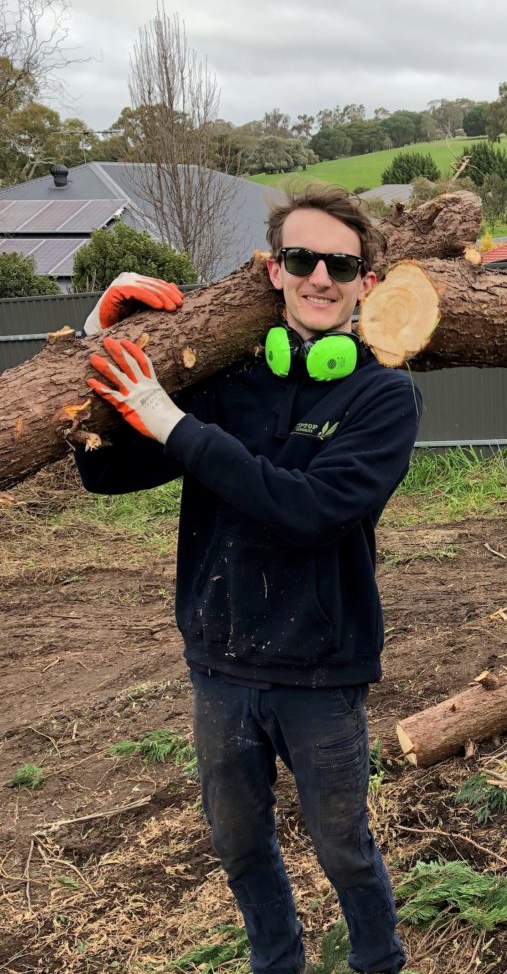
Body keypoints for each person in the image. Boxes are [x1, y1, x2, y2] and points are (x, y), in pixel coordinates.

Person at [75, 185, 420, 974]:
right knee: (237, 845)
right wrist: (99, 339)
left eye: (341, 263)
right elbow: (106, 474)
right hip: (221, 664)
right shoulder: (227, 381)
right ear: (274, 270)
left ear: (366, 282)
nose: (320, 277)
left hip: (322, 671)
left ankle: (378, 962)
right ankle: (277, 963)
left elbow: (310, 511)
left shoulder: (383, 396)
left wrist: (175, 422)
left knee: (343, 848)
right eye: (302, 259)